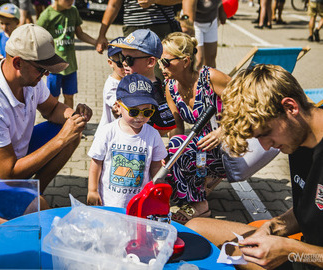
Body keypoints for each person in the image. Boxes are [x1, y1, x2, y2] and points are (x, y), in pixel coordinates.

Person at [0, 24, 92, 224]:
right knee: (38, 212)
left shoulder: (31, 79)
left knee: (72, 133)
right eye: (42, 69)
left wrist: (74, 117)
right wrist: (61, 139)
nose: (45, 75)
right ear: (18, 63)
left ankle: (26, 197)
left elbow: (52, 108)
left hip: (7, 156)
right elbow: (9, 172)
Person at [186, 64, 323, 270]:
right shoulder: (297, 137)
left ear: (290, 107)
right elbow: (312, 208)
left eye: (265, 133)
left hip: (308, 258)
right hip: (298, 253)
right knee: (195, 229)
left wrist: (290, 250)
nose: (266, 146)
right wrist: (273, 226)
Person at [159, 32, 230, 224]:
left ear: (185, 61)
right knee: (173, 150)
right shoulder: (170, 87)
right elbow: (177, 129)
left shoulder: (210, 77)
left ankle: (200, 204)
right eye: (159, 61)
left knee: (181, 150)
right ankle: (200, 187)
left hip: (230, 146)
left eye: (165, 62)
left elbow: (249, 102)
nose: (160, 67)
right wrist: (169, 156)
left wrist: (222, 131)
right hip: (205, 148)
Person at [87, 73, 168, 208]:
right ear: (118, 107)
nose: (140, 117)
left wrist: (157, 189)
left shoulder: (152, 135)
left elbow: (155, 166)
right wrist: (92, 190)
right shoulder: (107, 132)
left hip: (139, 203)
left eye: (147, 112)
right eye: (134, 112)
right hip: (109, 202)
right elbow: (96, 164)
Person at [112, 29, 176, 136]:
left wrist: (143, 136)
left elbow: (166, 126)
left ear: (150, 62)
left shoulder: (154, 91)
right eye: (122, 57)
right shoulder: (128, 81)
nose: (124, 63)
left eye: (129, 59)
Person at [37, 0, 97, 108]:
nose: (71, 1)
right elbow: (37, 37)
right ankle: (53, 122)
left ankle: (68, 121)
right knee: (53, 97)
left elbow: (80, 33)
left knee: (69, 96)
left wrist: (96, 43)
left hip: (70, 65)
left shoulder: (73, 11)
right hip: (53, 66)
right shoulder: (47, 15)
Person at [94, 36, 125, 137]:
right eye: (120, 63)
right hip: (108, 136)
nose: (126, 66)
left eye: (129, 61)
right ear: (110, 63)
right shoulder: (111, 86)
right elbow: (120, 109)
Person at [182, 0, 227, 70]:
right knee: (199, 60)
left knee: (211, 58)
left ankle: (208, 79)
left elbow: (219, 2)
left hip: (211, 22)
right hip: (195, 24)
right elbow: (188, 19)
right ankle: (195, 79)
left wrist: (222, 11)